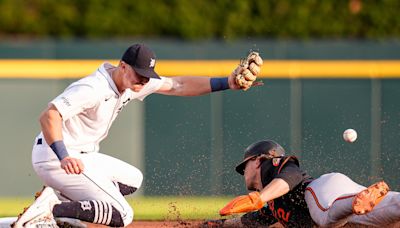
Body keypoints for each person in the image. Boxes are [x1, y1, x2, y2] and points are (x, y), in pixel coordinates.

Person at [12, 44, 263, 228]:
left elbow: (178, 85)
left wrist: (227, 82)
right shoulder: (93, 88)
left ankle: (60, 207)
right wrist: (63, 156)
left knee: (132, 179)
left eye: (147, 76)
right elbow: (49, 116)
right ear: (123, 66)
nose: (143, 81)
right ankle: (52, 209)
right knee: (122, 214)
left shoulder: (131, 82)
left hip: (82, 156)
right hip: (56, 157)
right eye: (139, 74)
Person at [204, 140, 400, 227]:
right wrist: (219, 225)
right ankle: (362, 200)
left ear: (256, 160)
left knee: (326, 218)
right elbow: (251, 221)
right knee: (391, 212)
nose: (243, 172)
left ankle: (355, 201)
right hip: (346, 202)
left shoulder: (274, 166)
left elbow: (291, 177)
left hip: (323, 191)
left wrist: (259, 198)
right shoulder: (273, 206)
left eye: (244, 167)